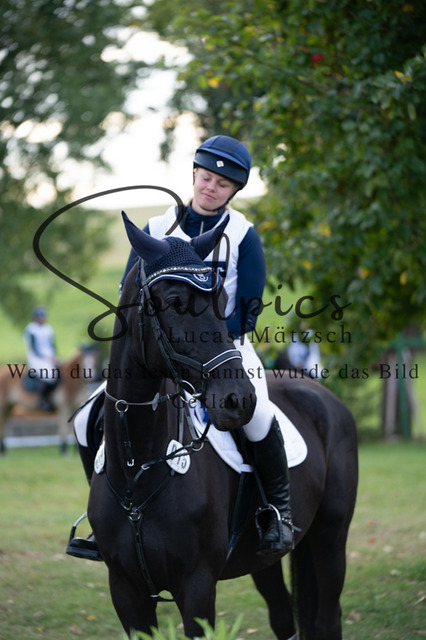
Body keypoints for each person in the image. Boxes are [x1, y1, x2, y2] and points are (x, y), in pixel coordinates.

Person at [67, 135, 294, 560]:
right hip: (158, 352)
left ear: (234, 190)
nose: (211, 188)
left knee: (259, 414)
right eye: (206, 178)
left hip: (224, 349)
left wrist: (203, 339)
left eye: (222, 184)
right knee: (84, 420)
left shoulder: (243, 235)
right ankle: (104, 518)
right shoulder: (155, 230)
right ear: (194, 174)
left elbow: (248, 310)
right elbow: (127, 299)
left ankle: (276, 513)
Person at [23, 306, 59, 411]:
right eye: (39, 316)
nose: (41, 318)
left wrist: (54, 356)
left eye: (42, 316)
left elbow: (52, 345)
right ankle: (42, 399)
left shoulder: (48, 329)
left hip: (49, 357)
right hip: (36, 357)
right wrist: (47, 358)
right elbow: (34, 348)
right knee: (48, 374)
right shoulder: (31, 329)